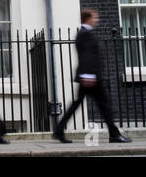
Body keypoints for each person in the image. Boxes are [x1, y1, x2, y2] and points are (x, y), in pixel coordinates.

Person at [53, 9, 132, 144]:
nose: (97, 20)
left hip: (89, 76)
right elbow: (87, 55)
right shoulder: (85, 34)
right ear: (87, 19)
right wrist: (88, 75)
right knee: (104, 106)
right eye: (94, 17)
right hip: (91, 78)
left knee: (82, 105)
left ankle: (59, 130)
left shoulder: (83, 33)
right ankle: (114, 134)